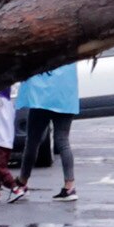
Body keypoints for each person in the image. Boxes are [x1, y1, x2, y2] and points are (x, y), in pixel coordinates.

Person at [15, 58, 82, 200]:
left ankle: (22, 182)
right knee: (63, 141)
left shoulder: (46, 46)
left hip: (41, 98)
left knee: (33, 141)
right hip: (65, 97)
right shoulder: (71, 47)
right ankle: (70, 186)